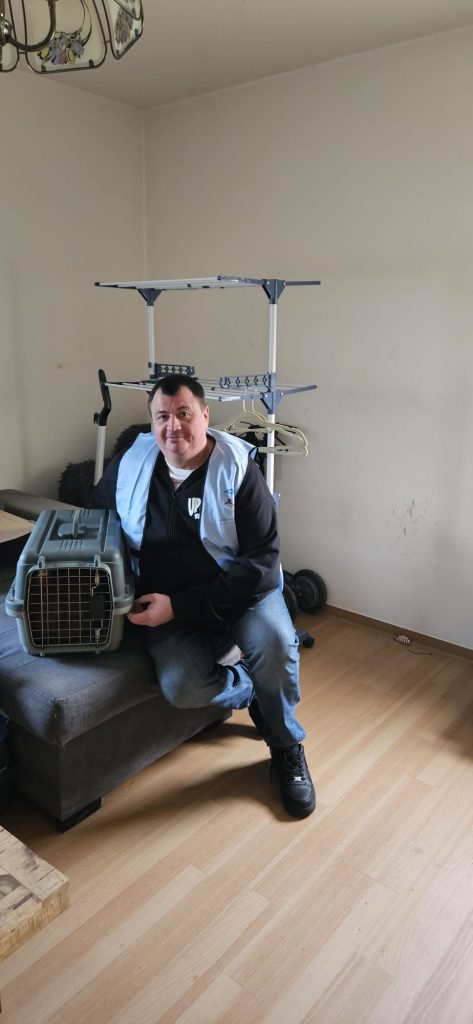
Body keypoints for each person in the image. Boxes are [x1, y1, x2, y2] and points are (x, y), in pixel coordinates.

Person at [90, 373, 315, 818]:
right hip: (166, 603)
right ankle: (251, 690)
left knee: (275, 644)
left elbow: (262, 563)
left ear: (206, 416)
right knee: (184, 688)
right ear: (151, 421)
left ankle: (286, 744)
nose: (173, 426)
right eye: (162, 416)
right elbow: (95, 521)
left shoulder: (238, 468)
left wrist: (181, 605)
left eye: (184, 413)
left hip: (241, 592)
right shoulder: (131, 462)